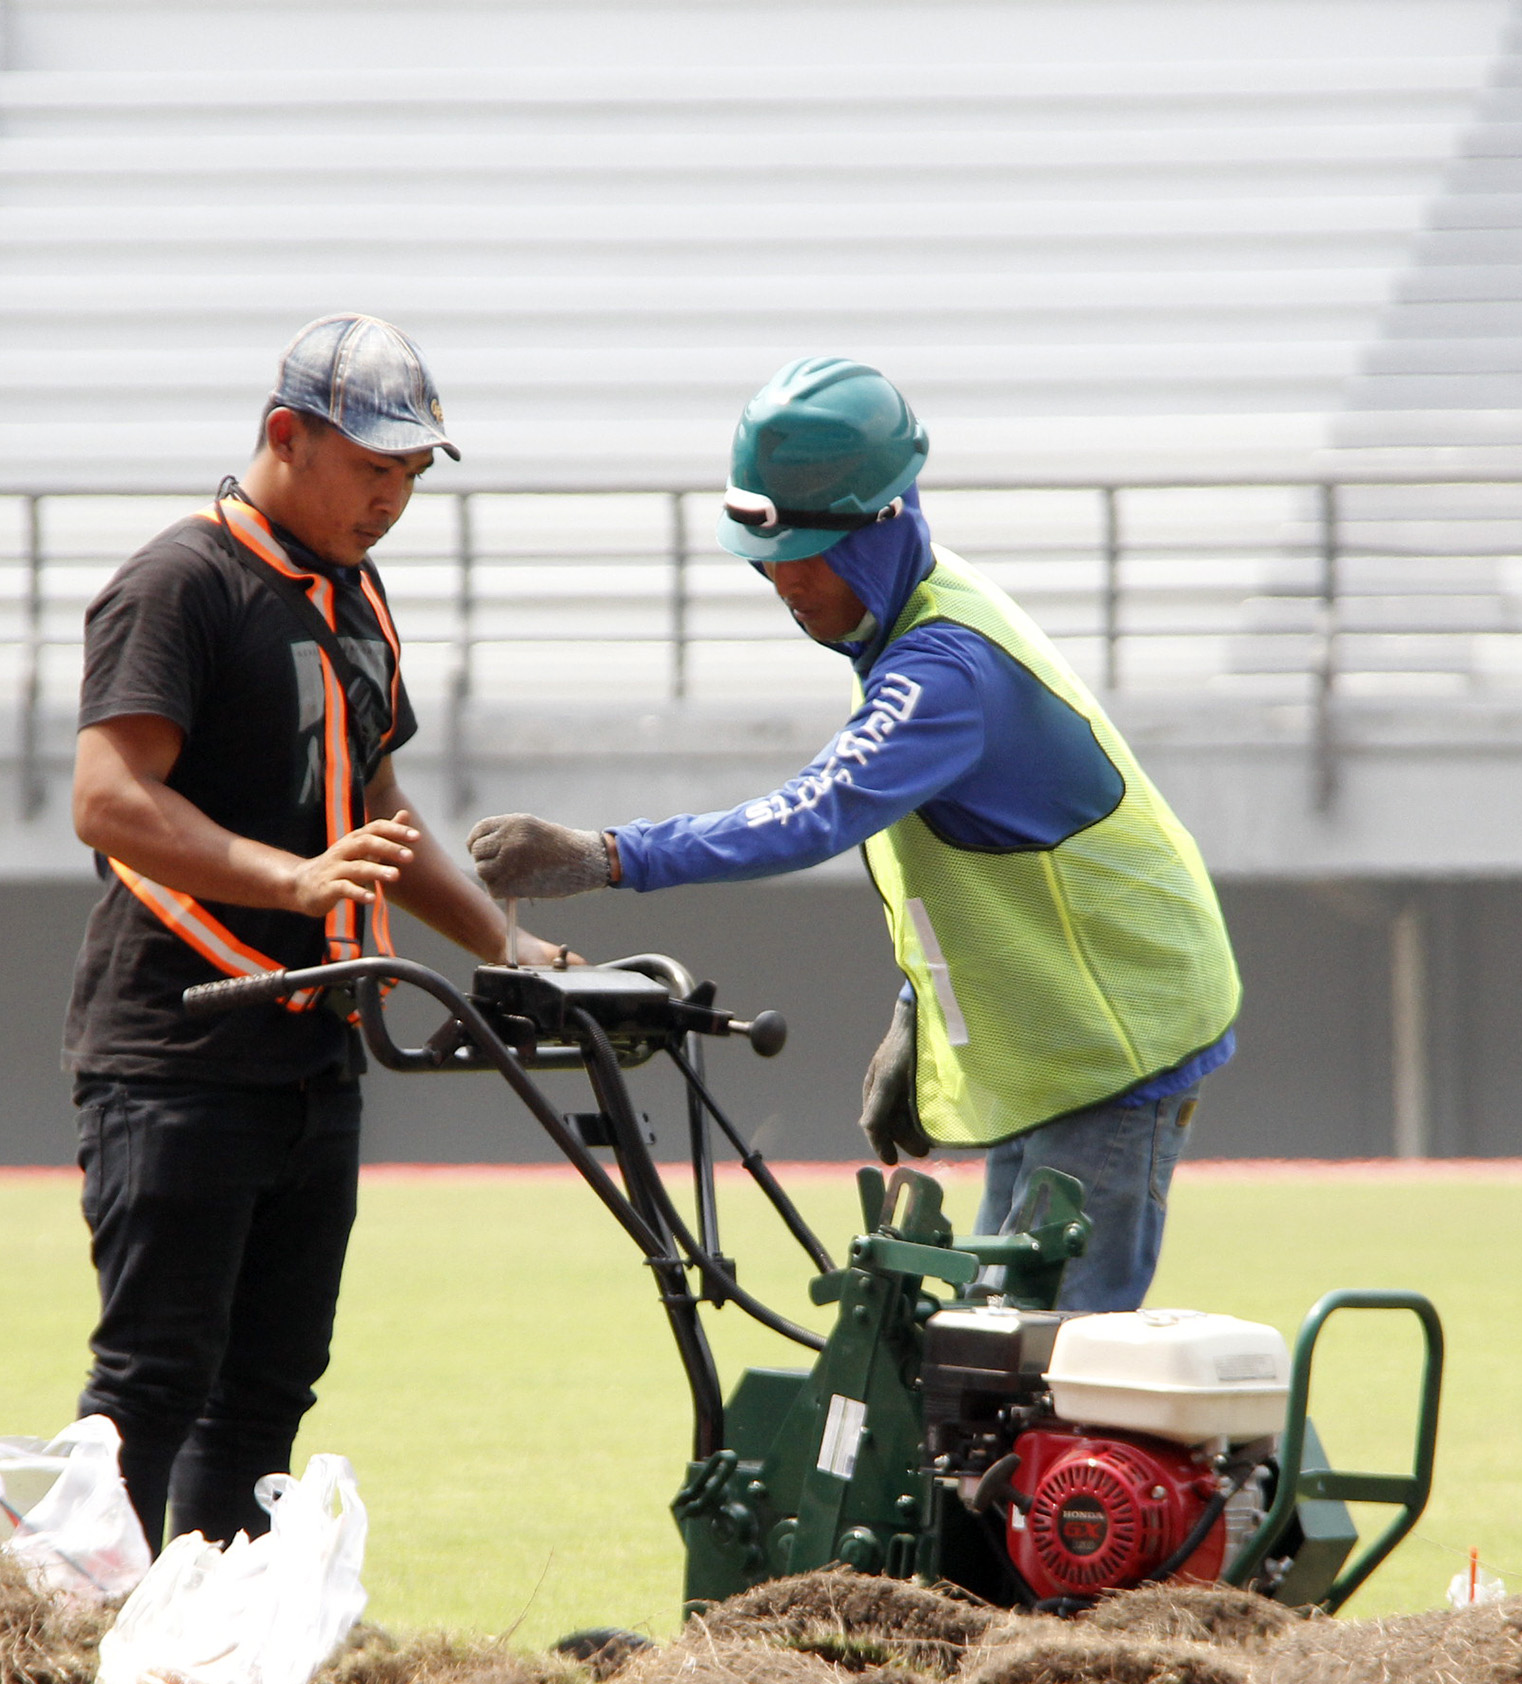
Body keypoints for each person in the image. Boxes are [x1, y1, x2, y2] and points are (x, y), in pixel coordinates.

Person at [469, 357, 1240, 1312]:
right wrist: (918, 1019)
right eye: (767, 555)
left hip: (1117, 1042)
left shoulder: (942, 667)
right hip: (1070, 1045)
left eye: (805, 552)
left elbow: (809, 815)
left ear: (881, 526)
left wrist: (606, 854)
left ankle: (1262, 1466)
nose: (784, 582)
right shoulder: (902, 619)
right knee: (995, 1343)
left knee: (1052, 1360)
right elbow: (957, 861)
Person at [65, 314, 558, 1549]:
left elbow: (380, 810)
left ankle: (219, 1667)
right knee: (152, 1390)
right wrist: (291, 884)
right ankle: (91, 1679)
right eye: (373, 470)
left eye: (411, 478)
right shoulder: (178, 582)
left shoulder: (355, 594)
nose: (393, 501)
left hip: (313, 1057)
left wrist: (508, 946)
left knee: (268, 1396)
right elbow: (108, 801)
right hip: (179, 1054)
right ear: (285, 436)